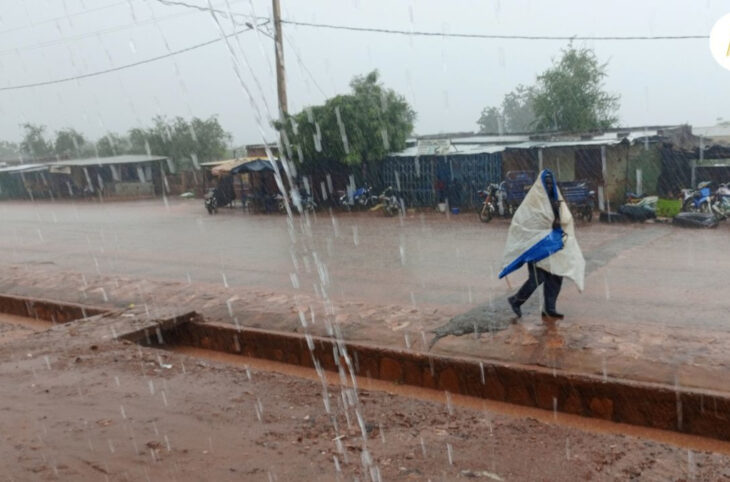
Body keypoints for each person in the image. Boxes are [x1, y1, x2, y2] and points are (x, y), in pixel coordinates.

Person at [498, 170, 585, 322]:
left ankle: (549, 309)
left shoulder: (557, 199)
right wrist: (549, 226)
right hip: (537, 246)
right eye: (547, 183)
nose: (550, 185)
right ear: (541, 184)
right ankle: (516, 300)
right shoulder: (534, 202)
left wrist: (560, 221)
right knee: (537, 278)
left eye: (552, 183)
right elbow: (526, 222)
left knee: (556, 276)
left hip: (555, 245)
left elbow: (566, 219)